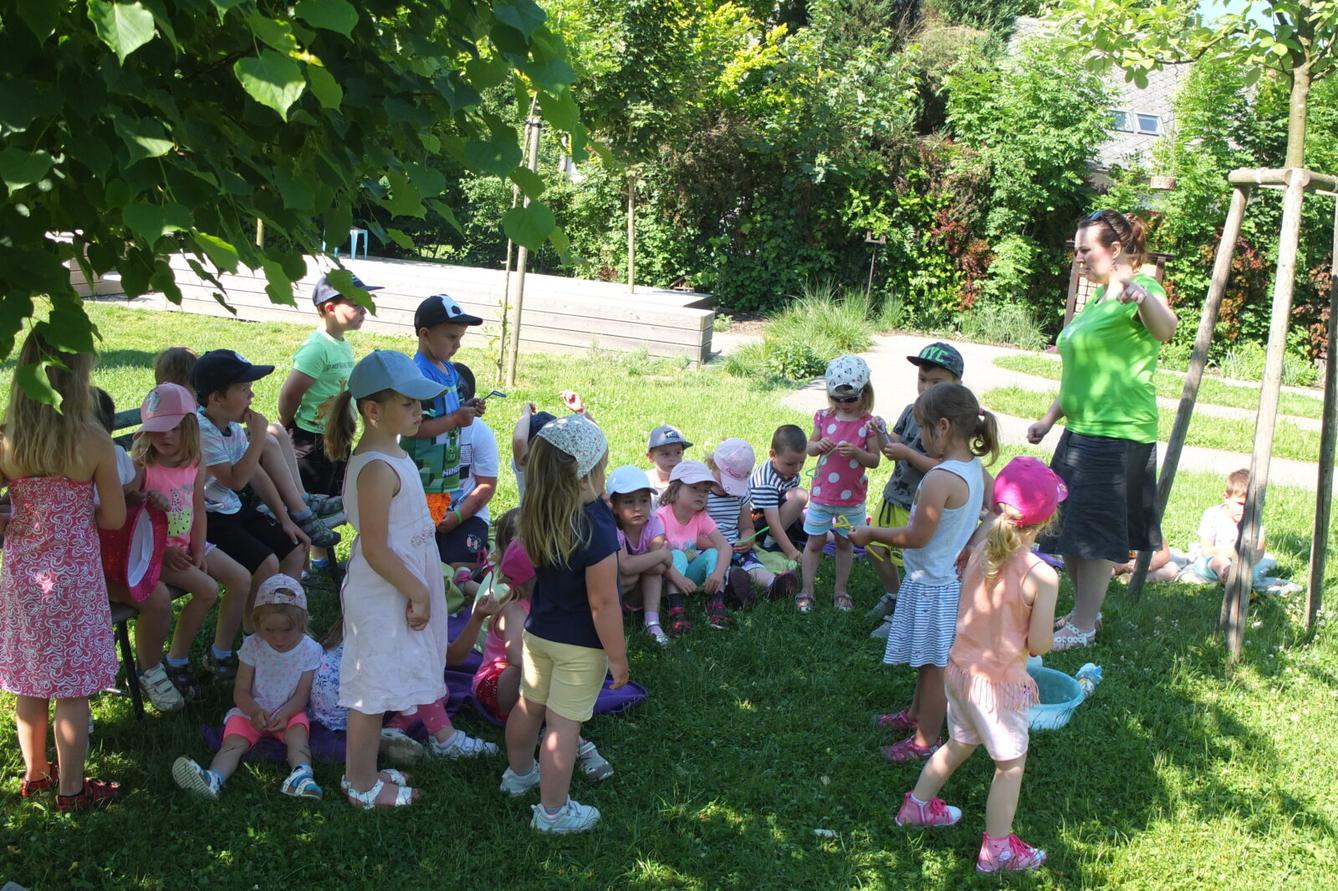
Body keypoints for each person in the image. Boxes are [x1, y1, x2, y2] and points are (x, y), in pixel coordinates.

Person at [895, 457, 1062, 875]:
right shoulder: (1042, 576)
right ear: (1047, 519)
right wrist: (1050, 636)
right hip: (999, 686)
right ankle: (998, 850)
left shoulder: (980, 547)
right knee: (1010, 765)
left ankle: (916, 808)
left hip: (959, 672)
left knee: (959, 744)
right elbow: (1039, 642)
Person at [1026, 209, 1177, 651]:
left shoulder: (1142, 288)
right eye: (1076, 250)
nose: (1078, 257)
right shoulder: (1098, 299)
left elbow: (1166, 329)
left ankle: (1086, 625)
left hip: (1117, 433)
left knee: (1092, 534)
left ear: (1114, 250)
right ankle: (1080, 612)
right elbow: (1084, 371)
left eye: (1085, 249)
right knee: (1070, 529)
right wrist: (1050, 418)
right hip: (1082, 431)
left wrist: (1143, 298)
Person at [324, 350, 456, 808]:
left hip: (396, 584)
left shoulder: (391, 451)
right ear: (373, 411)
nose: (420, 411)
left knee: (382, 679)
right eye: (409, 403)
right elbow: (377, 549)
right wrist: (417, 590)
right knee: (371, 687)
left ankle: (365, 769)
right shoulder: (377, 468)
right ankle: (360, 784)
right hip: (384, 590)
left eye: (421, 402)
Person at [0, 330, 126, 811]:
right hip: (74, 578)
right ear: (77, 380)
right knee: (72, 689)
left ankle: (34, 775)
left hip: (22, 578)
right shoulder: (91, 441)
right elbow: (113, 518)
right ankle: (72, 792)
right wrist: (75, 520)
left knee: (30, 681)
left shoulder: (8, 440)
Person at [850, 383, 997, 763]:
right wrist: (968, 542)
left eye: (923, 430)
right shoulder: (974, 470)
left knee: (933, 668)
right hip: (939, 581)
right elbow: (993, 509)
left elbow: (915, 536)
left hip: (934, 585)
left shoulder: (939, 478)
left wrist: (871, 534)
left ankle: (926, 739)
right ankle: (915, 715)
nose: (920, 439)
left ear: (943, 427)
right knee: (926, 658)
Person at [501, 415, 627, 834]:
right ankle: (553, 812)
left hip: (539, 634)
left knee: (528, 706)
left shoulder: (535, 510)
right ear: (585, 476)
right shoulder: (596, 524)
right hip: (580, 646)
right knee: (562, 728)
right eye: (602, 468)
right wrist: (618, 657)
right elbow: (604, 603)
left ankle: (519, 775)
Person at [131, 383, 251, 703]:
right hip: (154, 553)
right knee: (208, 589)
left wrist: (199, 548)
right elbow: (131, 523)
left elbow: (198, 508)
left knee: (241, 579)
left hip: (187, 544)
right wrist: (166, 551)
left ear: (188, 427)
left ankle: (219, 652)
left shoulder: (195, 462)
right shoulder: (143, 466)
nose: (165, 437)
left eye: (173, 429)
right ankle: (177, 660)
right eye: (157, 430)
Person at [193, 350, 310, 677]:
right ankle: (234, 648)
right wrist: (259, 436)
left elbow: (257, 476)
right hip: (210, 518)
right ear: (217, 398)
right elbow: (235, 478)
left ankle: (272, 628)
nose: (252, 395)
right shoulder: (202, 431)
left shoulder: (227, 425)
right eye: (244, 389)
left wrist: (286, 519)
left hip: (232, 509)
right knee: (267, 563)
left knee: (297, 549)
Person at [171, 574, 324, 801]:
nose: (278, 638)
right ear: (257, 623)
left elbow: (302, 694)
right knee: (232, 743)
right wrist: (253, 711)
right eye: (269, 630)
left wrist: (286, 713)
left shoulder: (310, 650)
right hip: (250, 710)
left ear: (302, 622)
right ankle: (213, 779)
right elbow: (241, 691)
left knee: (298, 737)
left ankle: (302, 776)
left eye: (287, 630)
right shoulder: (253, 645)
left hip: (290, 711)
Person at [474, 541, 614, 779]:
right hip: (498, 684)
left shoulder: (554, 605)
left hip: (536, 683)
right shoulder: (515, 610)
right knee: (536, 675)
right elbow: (516, 657)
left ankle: (546, 729)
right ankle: (567, 741)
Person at [869, 343, 964, 639]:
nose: (926, 386)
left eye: (937, 382)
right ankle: (894, 595)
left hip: (917, 504)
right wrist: (883, 433)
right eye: (923, 379)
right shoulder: (911, 411)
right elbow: (893, 444)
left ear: (956, 385)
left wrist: (908, 455)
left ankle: (904, 614)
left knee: (910, 563)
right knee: (874, 549)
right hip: (893, 496)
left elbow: (942, 467)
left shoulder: (950, 425)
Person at [277, 273, 375, 499]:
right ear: (330, 307)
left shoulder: (341, 344)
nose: (364, 311)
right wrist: (285, 423)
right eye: (356, 304)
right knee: (311, 500)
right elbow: (291, 393)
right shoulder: (316, 348)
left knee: (331, 499)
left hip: (337, 436)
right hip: (312, 441)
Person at [798, 355, 880, 613]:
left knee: (845, 544)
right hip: (823, 495)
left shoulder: (868, 424)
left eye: (850, 399)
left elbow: (875, 460)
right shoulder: (823, 418)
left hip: (851, 499)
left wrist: (857, 453)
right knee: (814, 542)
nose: (843, 405)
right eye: (837, 399)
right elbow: (809, 448)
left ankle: (841, 591)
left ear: (864, 393)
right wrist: (817, 445)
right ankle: (807, 590)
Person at [399, 293, 484, 533]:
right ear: (425, 335)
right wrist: (456, 418)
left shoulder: (449, 370)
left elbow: (454, 410)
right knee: (418, 530)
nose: (457, 344)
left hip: (443, 473)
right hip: (423, 476)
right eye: (451, 337)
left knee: (431, 529)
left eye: (460, 338)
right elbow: (414, 428)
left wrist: (469, 409)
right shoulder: (418, 375)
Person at [705, 440, 797, 604]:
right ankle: (735, 588)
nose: (729, 489)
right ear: (714, 465)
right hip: (708, 547)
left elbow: (746, 526)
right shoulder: (701, 492)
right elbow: (693, 530)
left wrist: (748, 540)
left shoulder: (741, 493)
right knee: (718, 567)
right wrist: (719, 547)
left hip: (735, 545)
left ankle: (773, 584)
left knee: (752, 563)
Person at [657, 460, 735, 632]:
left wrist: (718, 573)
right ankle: (675, 611)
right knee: (676, 554)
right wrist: (679, 579)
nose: (701, 495)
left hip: (686, 577)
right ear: (675, 489)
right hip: (662, 578)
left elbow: (725, 547)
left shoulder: (700, 516)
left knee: (713, 552)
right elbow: (657, 556)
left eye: (705, 491)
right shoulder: (662, 516)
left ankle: (716, 605)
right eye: (694, 488)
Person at [439, 362, 498, 571]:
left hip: (469, 515)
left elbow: (487, 485)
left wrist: (457, 516)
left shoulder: (480, 432)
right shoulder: (419, 432)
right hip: (426, 512)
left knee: (454, 564)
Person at [606, 465, 673, 646]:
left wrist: (654, 560)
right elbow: (625, 566)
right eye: (628, 502)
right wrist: (661, 554)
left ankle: (652, 622)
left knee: (653, 571)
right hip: (613, 588)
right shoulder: (612, 528)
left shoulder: (653, 522)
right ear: (614, 506)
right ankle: (615, 617)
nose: (638, 508)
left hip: (637, 586)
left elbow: (659, 567)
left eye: (644, 500)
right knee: (633, 572)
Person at [1180, 468, 1271, 587]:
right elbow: (1207, 550)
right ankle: (1229, 577)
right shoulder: (1213, 515)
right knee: (1219, 561)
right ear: (1226, 498)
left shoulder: (1253, 521)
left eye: (1250, 506)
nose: (1244, 510)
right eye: (1240, 504)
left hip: (1244, 564)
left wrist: (1243, 561)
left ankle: (1238, 580)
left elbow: (1259, 551)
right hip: (1211, 563)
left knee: (1250, 571)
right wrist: (1233, 554)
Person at [512, 392, 590, 503]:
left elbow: (519, 440)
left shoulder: (526, 467)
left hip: (530, 520)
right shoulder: (564, 467)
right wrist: (580, 411)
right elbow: (597, 446)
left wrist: (526, 411)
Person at [748, 424, 809, 563]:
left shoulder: (788, 471)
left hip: (778, 513)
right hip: (759, 522)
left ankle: (794, 533)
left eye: (802, 462)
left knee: (824, 535)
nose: (797, 468)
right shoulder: (767, 482)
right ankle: (769, 543)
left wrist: (808, 527)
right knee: (800, 495)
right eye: (791, 464)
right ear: (773, 455)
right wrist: (792, 552)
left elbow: (795, 506)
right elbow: (773, 522)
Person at [646, 424, 692, 496]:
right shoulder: (645, 481)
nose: (673, 458)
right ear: (650, 457)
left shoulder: (688, 480)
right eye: (666, 454)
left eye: (678, 453)